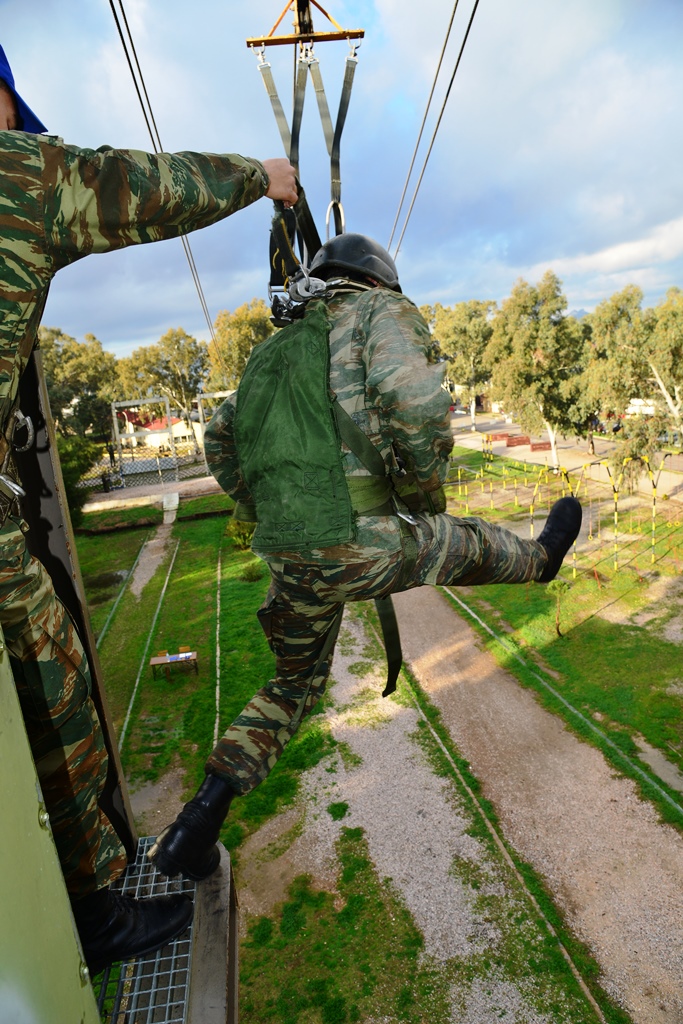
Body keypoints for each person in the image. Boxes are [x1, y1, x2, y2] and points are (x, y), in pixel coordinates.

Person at [149, 233, 582, 882]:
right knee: (460, 541)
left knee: (290, 685)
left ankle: (197, 823)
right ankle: (543, 561)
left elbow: (220, 437)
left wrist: (266, 511)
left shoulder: (274, 349)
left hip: (291, 552)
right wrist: (419, 498)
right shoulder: (382, 311)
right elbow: (413, 401)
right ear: (376, 280)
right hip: (363, 543)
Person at [0, 43, 298, 974]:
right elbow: (147, 185)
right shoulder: (20, 174)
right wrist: (264, 177)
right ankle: (93, 913)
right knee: (54, 684)